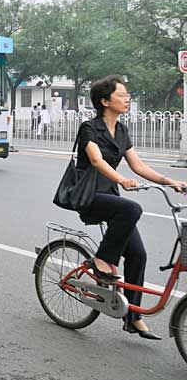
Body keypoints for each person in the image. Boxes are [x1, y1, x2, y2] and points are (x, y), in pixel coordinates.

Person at [76, 75, 187, 340]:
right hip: (89, 194)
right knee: (132, 208)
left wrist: (168, 181)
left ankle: (132, 317)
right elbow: (96, 160)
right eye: (121, 95)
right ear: (104, 101)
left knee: (138, 255)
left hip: (110, 196)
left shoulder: (122, 131)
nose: (127, 99)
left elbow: (138, 166)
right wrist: (121, 179)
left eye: (127, 95)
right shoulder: (89, 128)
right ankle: (103, 260)